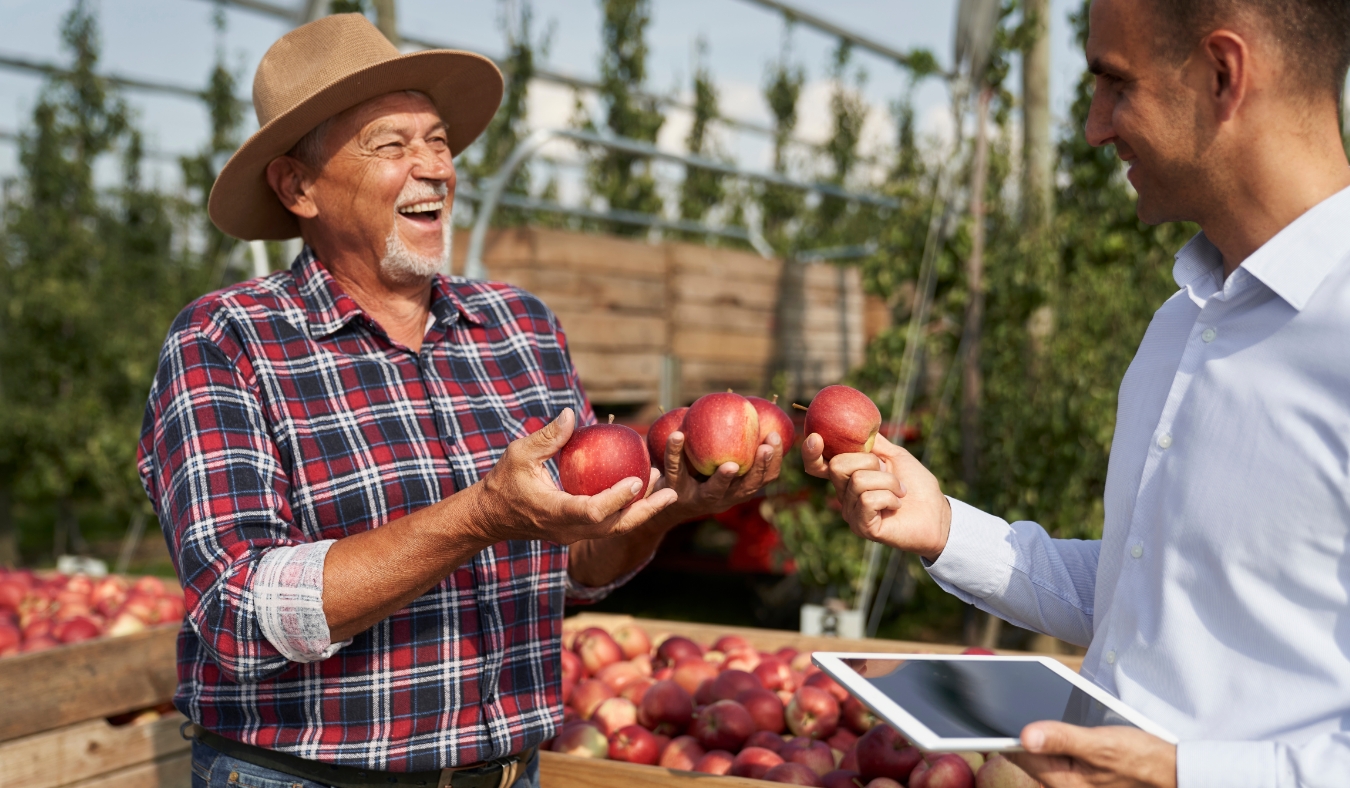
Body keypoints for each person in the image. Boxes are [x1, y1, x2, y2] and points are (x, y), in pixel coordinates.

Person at [136, 15, 784, 788]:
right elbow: (241, 614)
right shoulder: (227, 341)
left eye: (438, 141)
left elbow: (575, 567)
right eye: (391, 145)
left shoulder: (521, 327)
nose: (433, 167)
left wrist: (667, 507)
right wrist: (478, 517)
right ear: (298, 186)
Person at [806, 1, 1350, 786]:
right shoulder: (1181, 325)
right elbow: (1155, 590)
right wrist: (947, 529)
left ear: (1223, 74)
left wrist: (1190, 775)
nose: (1095, 127)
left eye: (1115, 85)